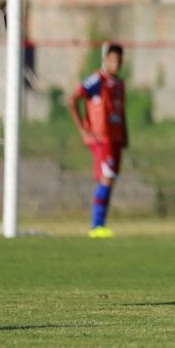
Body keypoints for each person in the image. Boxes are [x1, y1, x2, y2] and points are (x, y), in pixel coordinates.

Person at [68, 44, 127, 239]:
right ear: (106, 59)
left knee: (110, 179)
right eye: (113, 59)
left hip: (115, 138)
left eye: (119, 60)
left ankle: (100, 224)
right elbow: (73, 99)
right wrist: (84, 128)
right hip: (101, 137)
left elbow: (120, 112)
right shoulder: (97, 80)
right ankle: (97, 226)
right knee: (106, 178)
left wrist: (124, 135)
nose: (116, 63)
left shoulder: (118, 83)